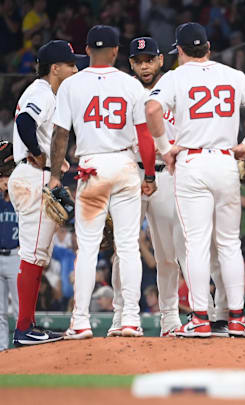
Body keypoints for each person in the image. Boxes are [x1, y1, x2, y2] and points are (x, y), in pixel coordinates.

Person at [146, 22, 245, 338]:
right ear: (208, 48)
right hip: (225, 161)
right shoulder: (230, 74)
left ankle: (200, 318)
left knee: (196, 244)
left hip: (192, 162)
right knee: (230, 244)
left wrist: (165, 149)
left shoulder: (175, 77)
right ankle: (236, 319)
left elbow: (152, 109)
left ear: (178, 51)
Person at [49, 26, 157, 340]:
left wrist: (56, 175)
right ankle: (131, 320)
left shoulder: (72, 84)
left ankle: (80, 321)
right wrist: (148, 174)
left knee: (87, 249)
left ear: (86, 50)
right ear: (115, 51)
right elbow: (145, 135)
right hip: (124, 165)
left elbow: (60, 134)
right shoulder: (131, 84)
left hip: (92, 167)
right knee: (127, 248)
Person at [105, 36, 186, 338]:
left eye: (149, 59)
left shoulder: (175, 89)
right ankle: (121, 314)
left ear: (160, 60)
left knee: (168, 253)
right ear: (131, 63)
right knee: (122, 251)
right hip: (131, 174)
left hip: (166, 175)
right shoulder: (124, 91)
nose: (144, 65)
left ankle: (170, 317)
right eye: (139, 61)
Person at [9, 40, 79, 346]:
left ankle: (28, 325)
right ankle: (24, 328)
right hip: (32, 177)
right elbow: (25, 122)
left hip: (35, 175)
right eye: (71, 65)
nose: (75, 69)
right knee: (33, 254)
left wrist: (52, 158)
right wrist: (38, 153)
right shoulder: (41, 91)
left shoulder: (48, 93)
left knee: (38, 255)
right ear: (55, 68)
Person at [0, 186, 19, 351]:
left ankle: (21, 344)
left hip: (15, 256)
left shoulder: (19, 203)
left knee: (19, 308)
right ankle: (2, 348)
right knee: (0, 310)